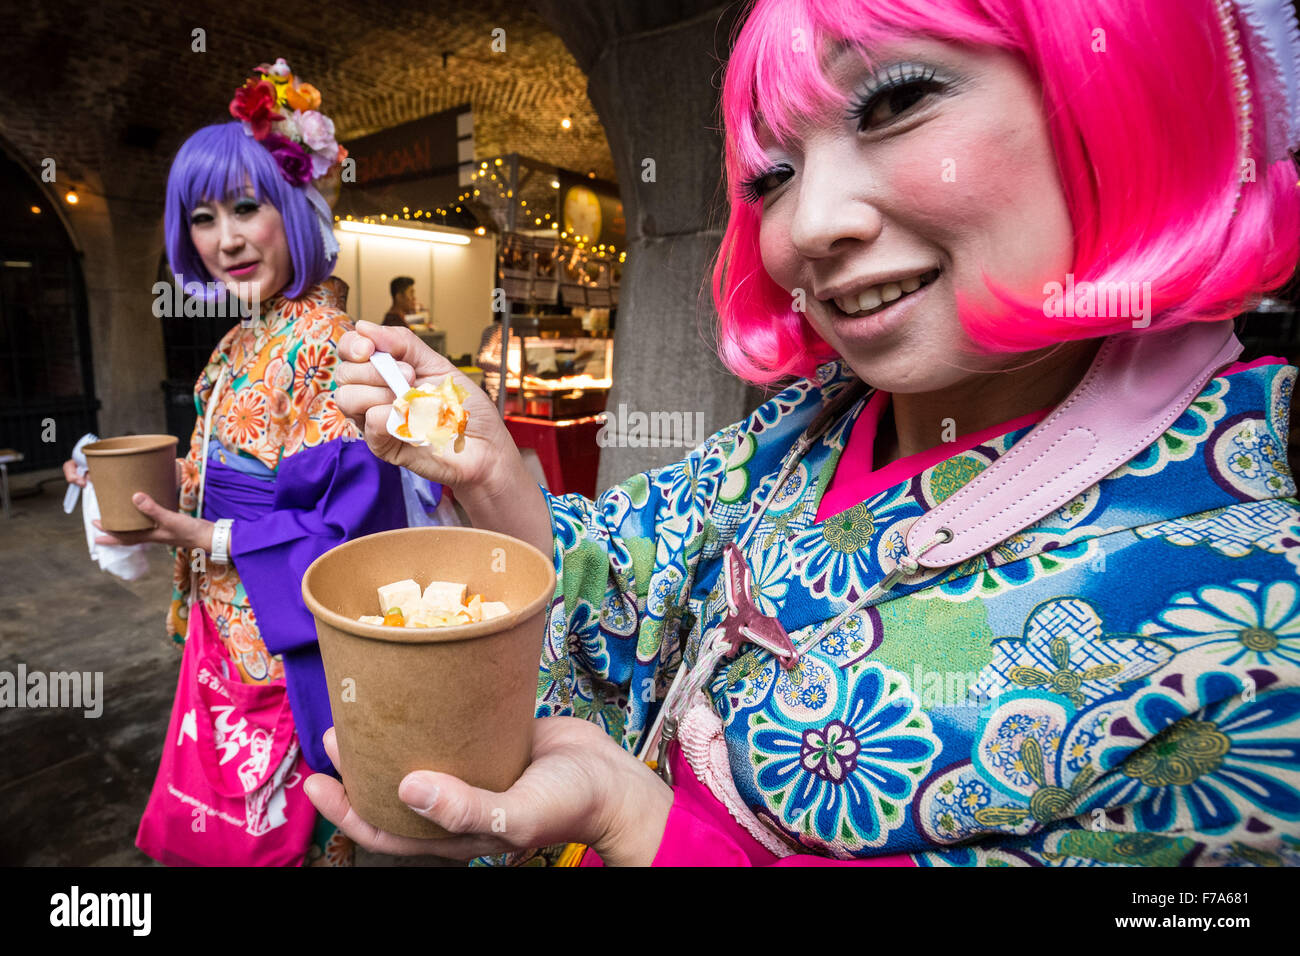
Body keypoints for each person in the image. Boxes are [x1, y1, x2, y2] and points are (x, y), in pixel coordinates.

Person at [309, 0, 1300, 866]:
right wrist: (489, 470)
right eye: (772, 173)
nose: (811, 223)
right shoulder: (809, 422)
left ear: (1117, 93)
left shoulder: (1252, 621)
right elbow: (628, 567)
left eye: (899, 101)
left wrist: (639, 825)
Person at [66, 59, 410, 866]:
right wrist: (131, 488)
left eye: (246, 208)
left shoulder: (339, 349)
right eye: (201, 218)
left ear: (293, 205)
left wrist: (215, 540)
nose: (223, 240)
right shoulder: (233, 344)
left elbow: (349, 530)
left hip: (286, 636)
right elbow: (206, 471)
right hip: (219, 626)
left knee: (288, 833)